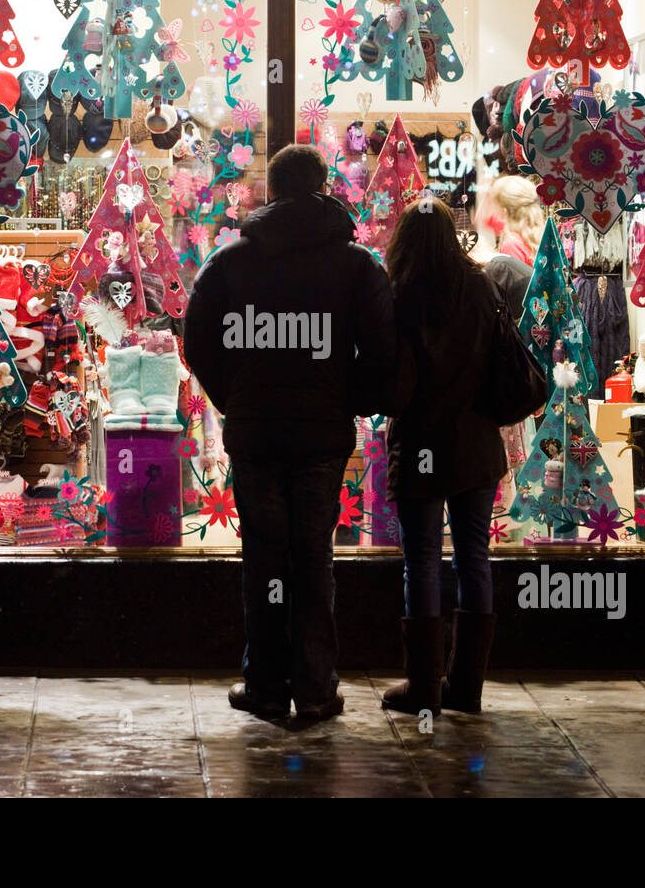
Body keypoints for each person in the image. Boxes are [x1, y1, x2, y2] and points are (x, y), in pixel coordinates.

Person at [184, 144, 396, 721]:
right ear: (324, 185)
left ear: (270, 191)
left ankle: (268, 686)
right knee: (312, 558)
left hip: (256, 434)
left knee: (265, 559)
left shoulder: (230, 262)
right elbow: (384, 349)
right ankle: (317, 686)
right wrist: (350, 398)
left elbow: (197, 339)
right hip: (322, 436)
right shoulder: (355, 265)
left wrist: (235, 399)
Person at [381, 197, 509, 716]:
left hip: (420, 446)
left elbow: (392, 379)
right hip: (475, 443)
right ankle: (467, 687)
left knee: (422, 562)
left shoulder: (400, 296)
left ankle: (424, 688)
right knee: (474, 557)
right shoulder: (481, 287)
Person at [478, 174, 544, 267]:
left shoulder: (511, 245)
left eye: (494, 205)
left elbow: (515, 281)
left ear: (504, 211)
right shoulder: (541, 233)